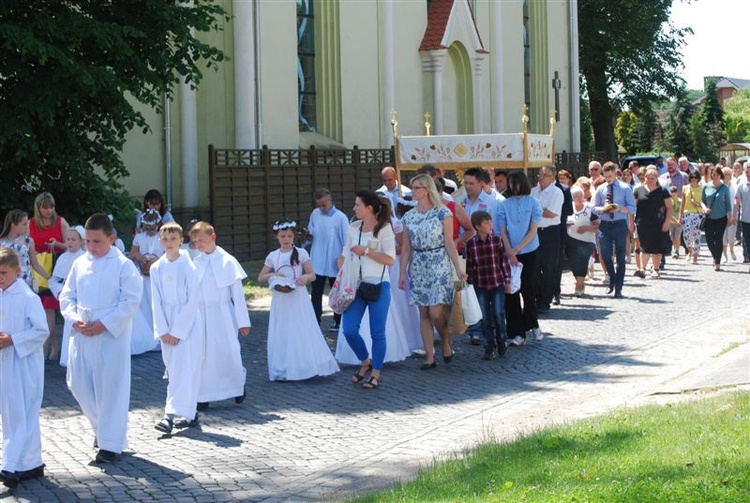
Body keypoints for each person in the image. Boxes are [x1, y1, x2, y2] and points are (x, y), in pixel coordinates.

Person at [60, 213, 143, 464]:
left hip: (109, 335)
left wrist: (105, 324)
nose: (92, 247)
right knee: (78, 383)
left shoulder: (123, 265)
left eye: (97, 242)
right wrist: (73, 318)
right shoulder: (80, 263)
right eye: (88, 242)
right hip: (82, 330)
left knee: (111, 388)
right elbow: (67, 296)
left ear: (112, 238)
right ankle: (104, 430)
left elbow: (131, 300)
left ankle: (110, 444)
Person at [258, 218, 339, 381]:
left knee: (300, 329)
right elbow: (261, 277)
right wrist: (273, 274)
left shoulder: (301, 253)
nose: (286, 239)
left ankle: (305, 365)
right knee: (283, 330)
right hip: (281, 300)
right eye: (283, 236)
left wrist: (305, 278)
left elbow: (313, 274)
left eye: (289, 236)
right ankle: (283, 367)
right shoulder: (273, 256)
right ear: (277, 237)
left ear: (293, 236)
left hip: (298, 297)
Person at [400, 175, 467, 369]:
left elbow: (449, 242)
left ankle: (446, 339)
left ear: (427, 190)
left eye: (417, 188)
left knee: (436, 312)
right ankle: (429, 356)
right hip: (418, 265)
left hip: (439, 263)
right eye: (412, 188)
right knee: (423, 312)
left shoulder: (442, 213)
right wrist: (402, 273)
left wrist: (458, 269)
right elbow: (406, 246)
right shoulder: (409, 216)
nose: (413, 191)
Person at [0, 248, 49, 489]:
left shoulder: (29, 298)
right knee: (10, 413)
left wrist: (13, 340)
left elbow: (41, 331)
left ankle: (10, 466)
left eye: (3, 273)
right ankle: (30, 463)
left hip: (24, 364)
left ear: (17, 271)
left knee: (23, 412)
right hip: (4, 363)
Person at [189, 221, 251, 410]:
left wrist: (243, 321)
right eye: (195, 241)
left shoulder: (227, 261)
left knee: (228, 351)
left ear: (212, 237)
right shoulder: (196, 262)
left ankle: (236, 387)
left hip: (223, 314)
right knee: (203, 355)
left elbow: (238, 296)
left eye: (202, 240)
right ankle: (203, 394)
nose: (198, 245)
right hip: (201, 315)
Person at [151, 222, 204, 435]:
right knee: (174, 369)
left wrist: (178, 331)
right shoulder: (157, 268)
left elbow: (193, 301)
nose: (169, 243)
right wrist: (163, 330)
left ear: (181, 240)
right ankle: (190, 413)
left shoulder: (188, 266)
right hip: (167, 321)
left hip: (187, 324)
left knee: (186, 367)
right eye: (165, 239)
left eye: (173, 239)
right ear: (159, 241)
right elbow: (155, 300)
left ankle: (169, 415)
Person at [339, 191, 396, 389]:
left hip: (379, 285)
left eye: (357, 205)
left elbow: (390, 260)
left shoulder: (384, 229)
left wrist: (367, 252)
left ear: (369, 208)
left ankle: (376, 372)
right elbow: (344, 254)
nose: (354, 208)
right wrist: (340, 267)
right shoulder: (353, 227)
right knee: (349, 330)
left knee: (377, 333)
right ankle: (365, 361)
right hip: (355, 286)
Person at [496, 171, 543, 345]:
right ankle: (516, 331)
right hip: (510, 252)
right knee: (511, 291)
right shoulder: (504, 204)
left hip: (529, 250)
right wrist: (509, 250)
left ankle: (532, 323)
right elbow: (502, 229)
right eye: (510, 183)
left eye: (515, 183)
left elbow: (533, 230)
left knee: (528, 290)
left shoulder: (534, 203)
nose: (512, 187)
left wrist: (517, 249)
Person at [455, 167, 498, 345]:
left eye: (471, 183)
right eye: (465, 183)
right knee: (465, 289)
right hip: (463, 251)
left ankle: (490, 327)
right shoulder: (459, 202)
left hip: (484, 253)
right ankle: (473, 329)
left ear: (481, 183)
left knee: (484, 290)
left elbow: (496, 229)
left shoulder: (492, 203)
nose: (468, 186)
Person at [28, 192, 70, 360]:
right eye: (45, 207)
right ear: (38, 208)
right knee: (44, 309)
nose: (48, 210)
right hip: (38, 269)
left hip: (57, 266)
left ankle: (50, 345)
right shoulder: (30, 224)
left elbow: (72, 243)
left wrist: (57, 244)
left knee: (51, 308)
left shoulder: (60, 222)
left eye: (51, 207)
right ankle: (51, 344)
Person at [465, 211, 511, 361]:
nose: (490, 225)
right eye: (486, 223)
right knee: (484, 317)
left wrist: (507, 280)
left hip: (496, 282)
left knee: (498, 313)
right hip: (480, 284)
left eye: (490, 222)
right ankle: (489, 347)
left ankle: (502, 340)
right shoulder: (471, 244)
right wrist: (469, 282)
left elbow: (503, 262)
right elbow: (470, 266)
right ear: (478, 226)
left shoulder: (497, 241)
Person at [307, 188, 349, 332]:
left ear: (330, 201)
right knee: (316, 292)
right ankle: (315, 320)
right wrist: (308, 235)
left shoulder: (341, 218)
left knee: (336, 292)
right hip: (318, 259)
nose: (321, 208)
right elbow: (311, 230)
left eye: (324, 204)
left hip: (335, 260)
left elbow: (347, 241)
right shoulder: (315, 214)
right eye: (319, 205)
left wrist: (343, 257)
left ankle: (338, 320)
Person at [593, 161, 636, 298]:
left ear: (615, 173)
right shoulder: (601, 189)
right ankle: (612, 278)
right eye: (605, 176)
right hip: (605, 225)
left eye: (610, 176)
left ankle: (619, 287)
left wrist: (620, 208)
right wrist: (602, 209)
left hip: (619, 224)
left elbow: (632, 208)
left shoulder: (625, 188)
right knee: (605, 254)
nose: (608, 179)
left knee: (620, 256)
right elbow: (593, 207)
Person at [48, 226, 86, 367]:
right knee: (70, 327)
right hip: (70, 298)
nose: (70, 242)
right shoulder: (63, 258)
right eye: (68, 239)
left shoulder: (85, 258)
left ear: (81, 241)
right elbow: (55, 280)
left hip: (83, 298)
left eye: (73, 239)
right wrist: (59, 292)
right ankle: (69, 358)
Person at [129, 209, 164, 355]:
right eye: (147, 228)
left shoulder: (162, 237)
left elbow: (168, 254)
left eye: (153, 228)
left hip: (157, 277)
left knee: (157, 305)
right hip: (143, 277)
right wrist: (140, 257)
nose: (150, 231)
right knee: (145, 306)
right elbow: (132, 254)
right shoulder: (139, 237)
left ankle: (161, 335)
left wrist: (157, 261)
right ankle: (148, 336)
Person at [531, 165, 564, 313]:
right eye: (539, 174)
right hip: (535, 231)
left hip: (550, 232)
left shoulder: (557, 192)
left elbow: (551, 213)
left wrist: (536, 211)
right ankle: (537, 298)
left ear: (552, 178)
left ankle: (545, 301)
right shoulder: (533, 191)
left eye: (544, 175)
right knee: (534, 267)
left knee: (549, 267)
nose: (540, 178)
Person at [0, 210, 52, 298]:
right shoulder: (2, 242)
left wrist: (50, 279)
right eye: (24, 224)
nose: (27, 227)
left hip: (26, 284)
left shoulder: (28, 241)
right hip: (7, 285)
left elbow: (35, 264)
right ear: (13, 225)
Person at [633, 167, 671, 278]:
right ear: (644, 178)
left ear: (656, 179)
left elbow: (669, 207)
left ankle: (656, 269)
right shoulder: (638, 190)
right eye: (648, 178)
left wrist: (667, 222)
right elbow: (633, 207)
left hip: (659, 222)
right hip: (643, 222)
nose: (650, 180)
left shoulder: (663, 191)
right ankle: (642, 269)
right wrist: (631, 221)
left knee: (657, 247)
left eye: (652, 178)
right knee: (644, 246)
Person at [566, 185, 600, 296]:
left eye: (581, 195)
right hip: (571, 240)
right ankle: (579, 281)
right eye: (576, 196)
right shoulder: (569, 208)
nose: (580, 198)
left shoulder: (589, 208)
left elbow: (597, 225)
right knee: (573, 263)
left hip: (587, 241)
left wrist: (586, 228)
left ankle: (579, 285)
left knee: (581, 261)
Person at [702, 166, 734, 271]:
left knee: (718, 239)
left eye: (716, 175)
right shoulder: (706, 187)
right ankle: (715, 256)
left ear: (720, 175)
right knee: (709, 240)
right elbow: (702, 201)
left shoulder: (724, 188)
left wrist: (730, 217)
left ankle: (718, 262)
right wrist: (705, 208)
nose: (714, 176)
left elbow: (728, 204)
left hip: (721, 217)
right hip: (709, 218)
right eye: (713, 174)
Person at [679, 170, 705, 264]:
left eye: (695, 177)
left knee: (697, 235)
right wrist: (680, 216)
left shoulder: (702, 189)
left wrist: (696, 203)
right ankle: (690, 251)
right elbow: (682, 203)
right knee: (686, 235)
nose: (693, 179)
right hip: (686, 213)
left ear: (698, 178)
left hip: (698, 214)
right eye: (692, 177)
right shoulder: (685, 188)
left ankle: (695, 256)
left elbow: (704, 204)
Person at [733, 162, 750, 268]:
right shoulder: (741, 185)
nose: (749, 174)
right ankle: (747, 256)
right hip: (745, 217)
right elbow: (737, 201)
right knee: (746, 239)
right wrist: (734, 214)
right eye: (747, 172)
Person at [721, 167, 738, 262]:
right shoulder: (720, 186)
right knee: (723, 235)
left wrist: (734, 214)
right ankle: (724, 255)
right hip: (722, 213)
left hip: (732, 212)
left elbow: (736, 199)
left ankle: (731, 250)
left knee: (731, 235)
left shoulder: (734, 185)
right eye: (725, 174)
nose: (727, 176)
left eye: (729, 174)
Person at [668, 186, 683, 259]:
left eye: (674, 194)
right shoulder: (669, 202)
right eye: (671, 194)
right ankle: (674, 249)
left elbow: (682, 211)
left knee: (677, 236)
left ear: (677, 193)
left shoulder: (680, 201)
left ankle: (677, 250)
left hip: (679, 222)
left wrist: (680, 220)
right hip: (671, 222)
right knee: (672, 237)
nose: (673, 196)